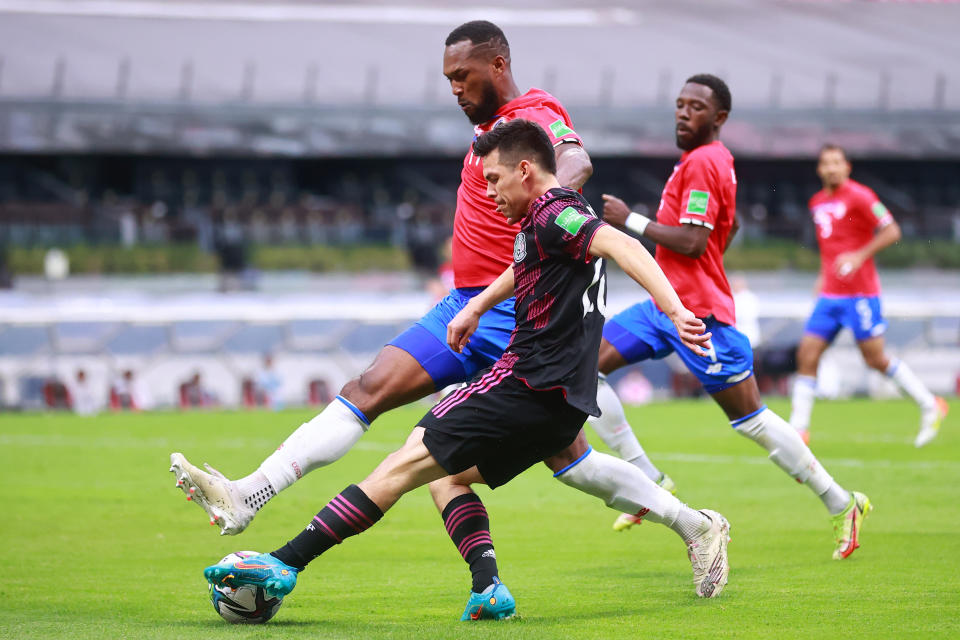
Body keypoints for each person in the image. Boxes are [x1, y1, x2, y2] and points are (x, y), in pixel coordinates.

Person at [202, 120, 730, 617]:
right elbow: (527, 263)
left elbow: (618, 242)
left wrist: (676, 309)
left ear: (526, 170)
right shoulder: (542, 223)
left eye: (495, 179)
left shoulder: (555, 215)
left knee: (401, 465)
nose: (490, 192)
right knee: (449, 478)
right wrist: (477, 307)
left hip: (524, 382)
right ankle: (495, 585)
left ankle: (284, 562)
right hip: (564, 400)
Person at [597, 75, 870, 560]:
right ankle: (651, 481)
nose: (683, 113)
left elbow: (695, 241)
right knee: (583, 366)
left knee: (752, 421)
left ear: (719, 117)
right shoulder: (707, 160)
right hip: (665, 305)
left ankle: (840, 501)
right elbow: (731, 224)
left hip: (700, 316)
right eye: (679, 105)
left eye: (696, 107)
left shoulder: (704, 162)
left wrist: (629, 221)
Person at [789, 145, 948, 448]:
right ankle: (799, 431)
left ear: (847, 167)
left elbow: (892, 231)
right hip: (830, 296)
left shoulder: (861, 196)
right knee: (806, 355)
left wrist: (859, 256)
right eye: (826, 163)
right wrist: (823, 278)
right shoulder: (817, 202)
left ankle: (930, 403)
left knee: (875, 359)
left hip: (861, 295)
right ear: (819, 169)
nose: (832, 168)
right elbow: (831, 248)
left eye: (837, 162)